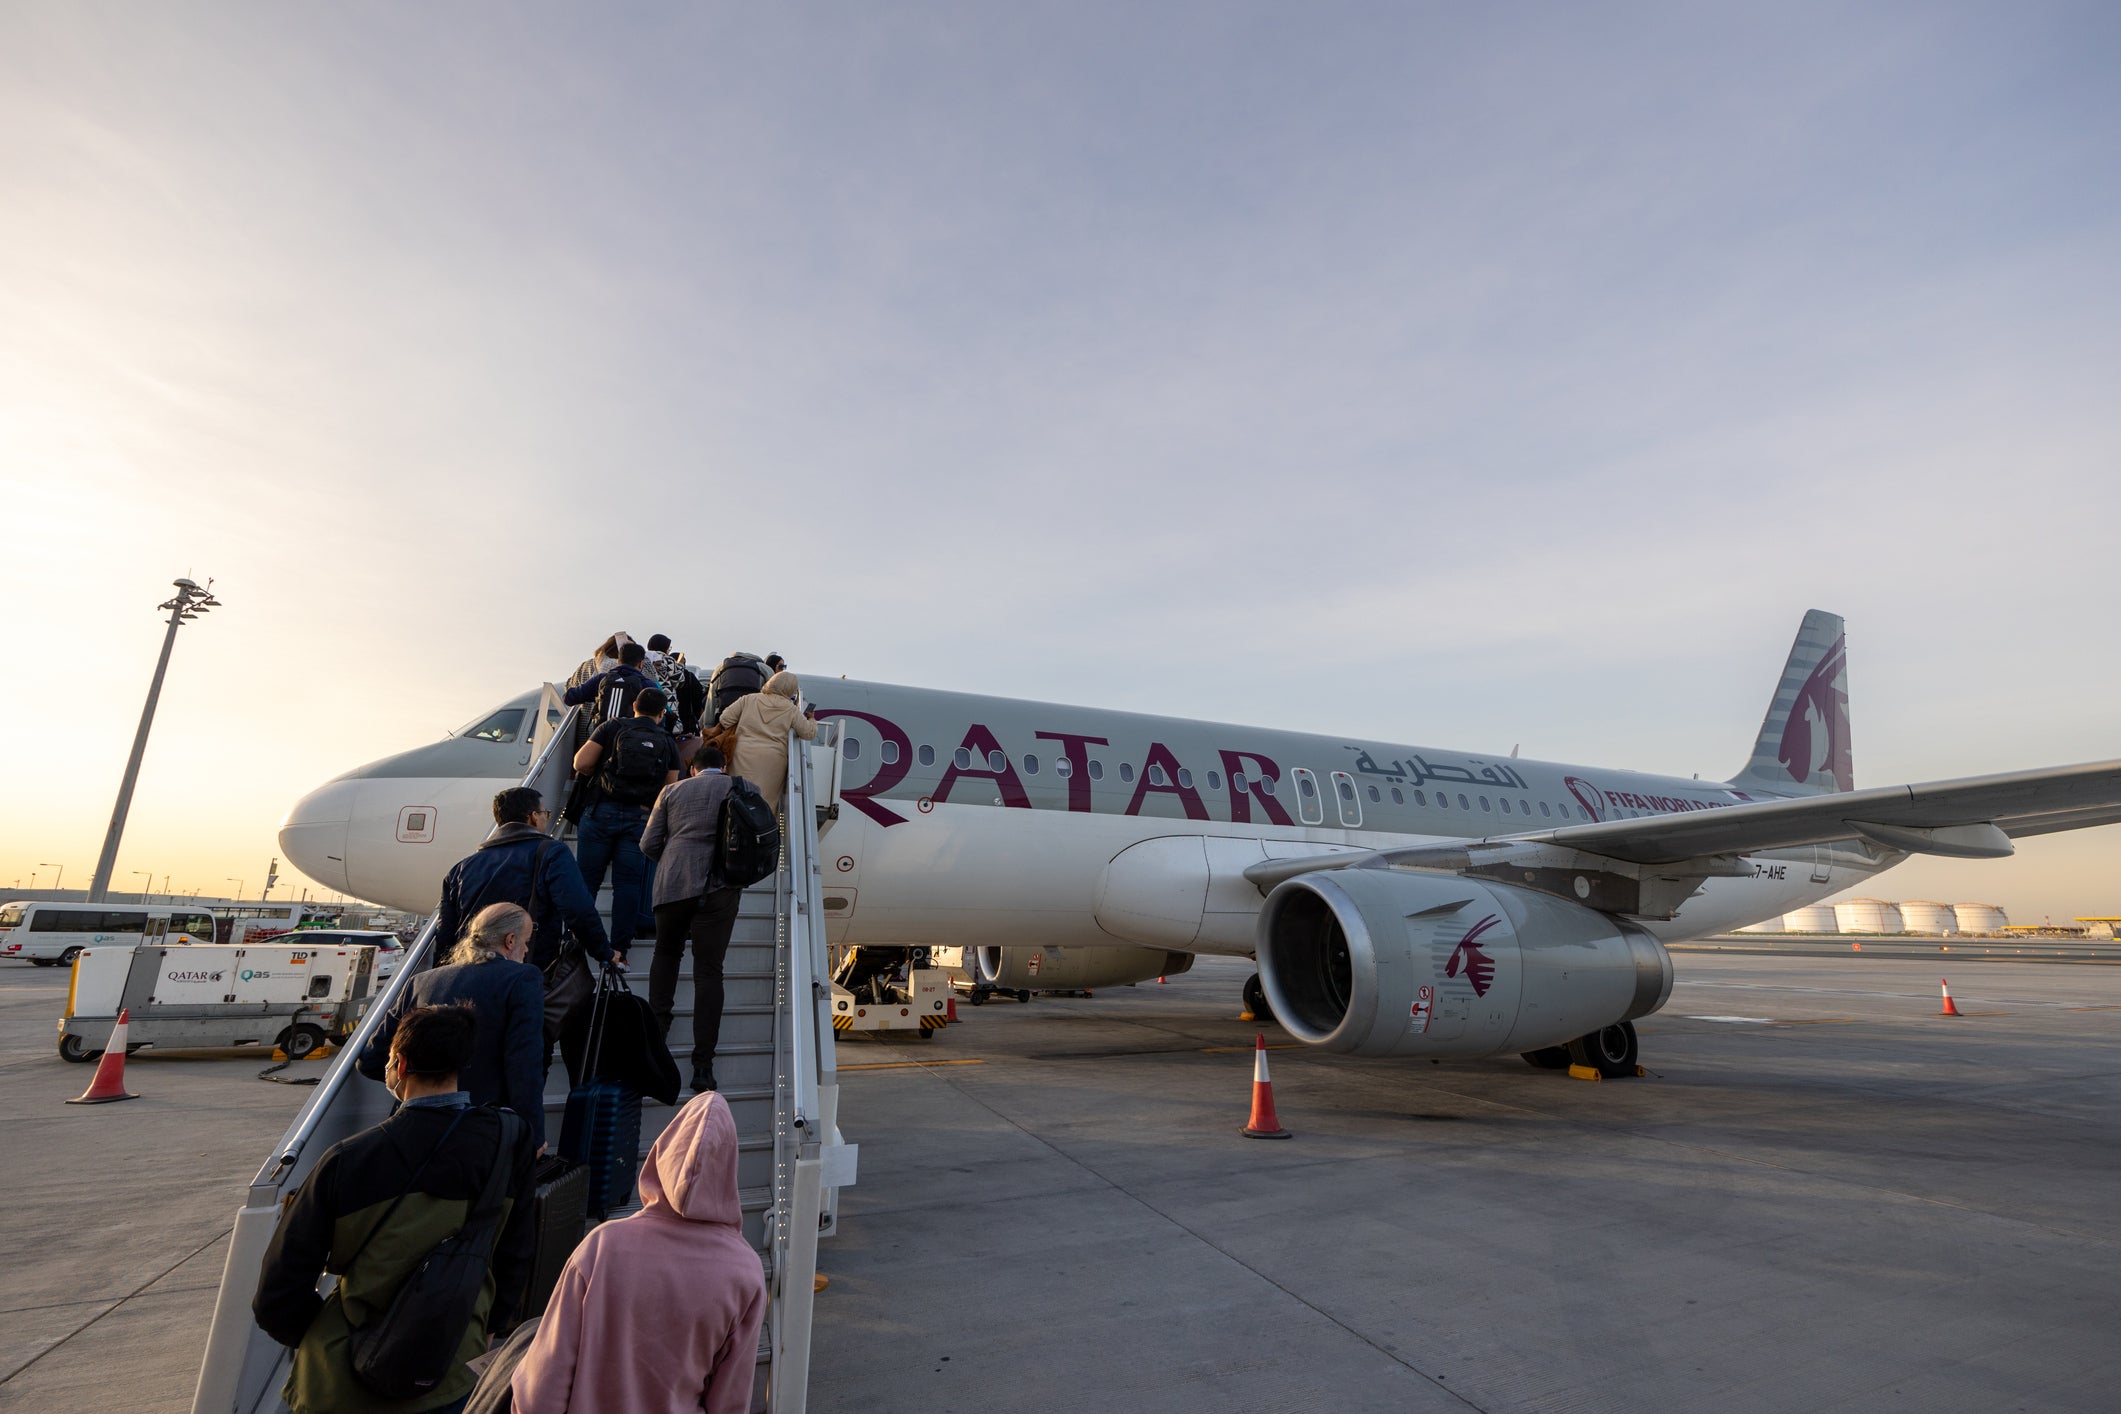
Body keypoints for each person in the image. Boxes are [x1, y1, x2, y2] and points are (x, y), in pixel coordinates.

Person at [257, 1003, 538, 1414]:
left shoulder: (347, 1160)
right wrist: (487, 1326)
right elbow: (517, 1251)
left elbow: (277, 1296)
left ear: (400, 1064)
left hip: (343, 1381)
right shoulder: (509, 1140)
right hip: (452, 1366)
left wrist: (324, 1339)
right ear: (461, 1065)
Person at [509, 1091, 766, 1414]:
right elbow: (730, 1402)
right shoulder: (746, 1273)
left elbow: (541, 1389)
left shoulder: (602, 1246)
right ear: (729, 1165)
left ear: (662, 1153)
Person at [358, 904, 550, 1150]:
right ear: (510, 940)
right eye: (526, 941)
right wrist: (532, 1137)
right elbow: (524, 1065)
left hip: (410, 1133)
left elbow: (371, 1060)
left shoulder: (421, 982)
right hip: (479, 1136)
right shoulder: (522, 978)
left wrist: (416, 1087)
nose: (526, 949)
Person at [640, 745, 740, 1094]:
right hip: (721, 887)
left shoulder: (672, 790)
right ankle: (703, 1065)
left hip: (674, 883)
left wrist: (672, 859)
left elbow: (648, 843)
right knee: (709, 971)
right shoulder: (742, 787)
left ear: (693, 768)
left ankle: (657, 1039)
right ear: (724, 766)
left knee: (666, 955)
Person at [432, 787, 611, 972]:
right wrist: (605, 953)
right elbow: (578, 909)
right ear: (533, 816)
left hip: (470, 974)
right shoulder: (552, 853)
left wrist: (443, 976)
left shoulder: (460, 869)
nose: (546, 818)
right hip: (528, 971)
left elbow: (445, 934)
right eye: (545, 814)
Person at [572, 687, 681, 964]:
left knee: (586, 882)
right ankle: (619, 951)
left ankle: (573, 946)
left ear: (634, 704)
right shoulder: (667, 741)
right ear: (661, 714)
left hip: (600, 812)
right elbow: (670, 788)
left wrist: (600, 775)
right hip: (640, 819)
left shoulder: (612, 726)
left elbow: (581, 763)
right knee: (628, 885)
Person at [716, 669, 817, 799]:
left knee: (735, 798)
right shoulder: (791, 709)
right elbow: (809, 733)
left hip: (741, 754)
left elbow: (725, 719)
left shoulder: (749, 699)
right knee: (764, 802)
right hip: (773, 759)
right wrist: (812, 719)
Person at [563, 640, 656, 730]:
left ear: (618, 661)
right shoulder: (648, 685)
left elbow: (569, 698)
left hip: (601, 738)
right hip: (632, 740)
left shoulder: (602, 679)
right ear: (640, 664)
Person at [644, 633, 707, 735]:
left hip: (646, 702)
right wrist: (680, 666)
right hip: (666, 702)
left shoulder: (644, 660)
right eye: (668, 647)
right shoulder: (668, 660)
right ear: (663, 647)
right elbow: (679, 681)